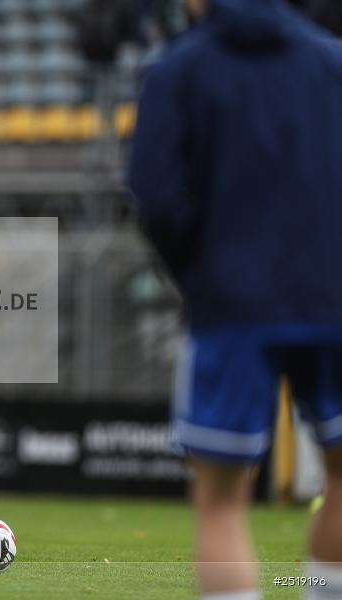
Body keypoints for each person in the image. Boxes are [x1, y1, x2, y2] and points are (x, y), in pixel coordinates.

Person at [128, 1, 342, 598]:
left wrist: (201, 276)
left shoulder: (177, 70)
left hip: (231, 308)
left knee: (221, 499)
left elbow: (155, 197)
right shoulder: (333, 62)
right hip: (334, 300)